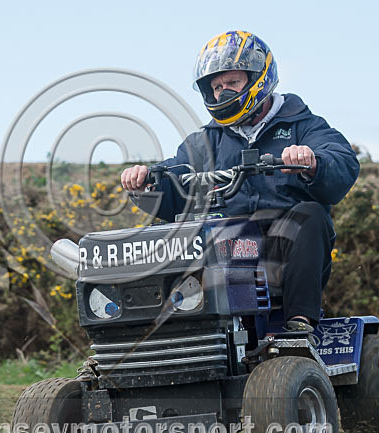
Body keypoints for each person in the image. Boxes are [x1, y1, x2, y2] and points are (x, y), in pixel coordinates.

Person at [120, 30, 359, 333]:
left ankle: (299, 326)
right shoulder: (204, 142)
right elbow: (176, 178)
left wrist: (313, 162)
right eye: (217, 87)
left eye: (232, 83)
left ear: (259, 78)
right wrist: (146, 183)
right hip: (225, 246)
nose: (223, 93)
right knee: (177, 234)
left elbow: (342, 161)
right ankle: (174, 336)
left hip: (283, 247)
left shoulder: (303, 125)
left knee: (311, 215)